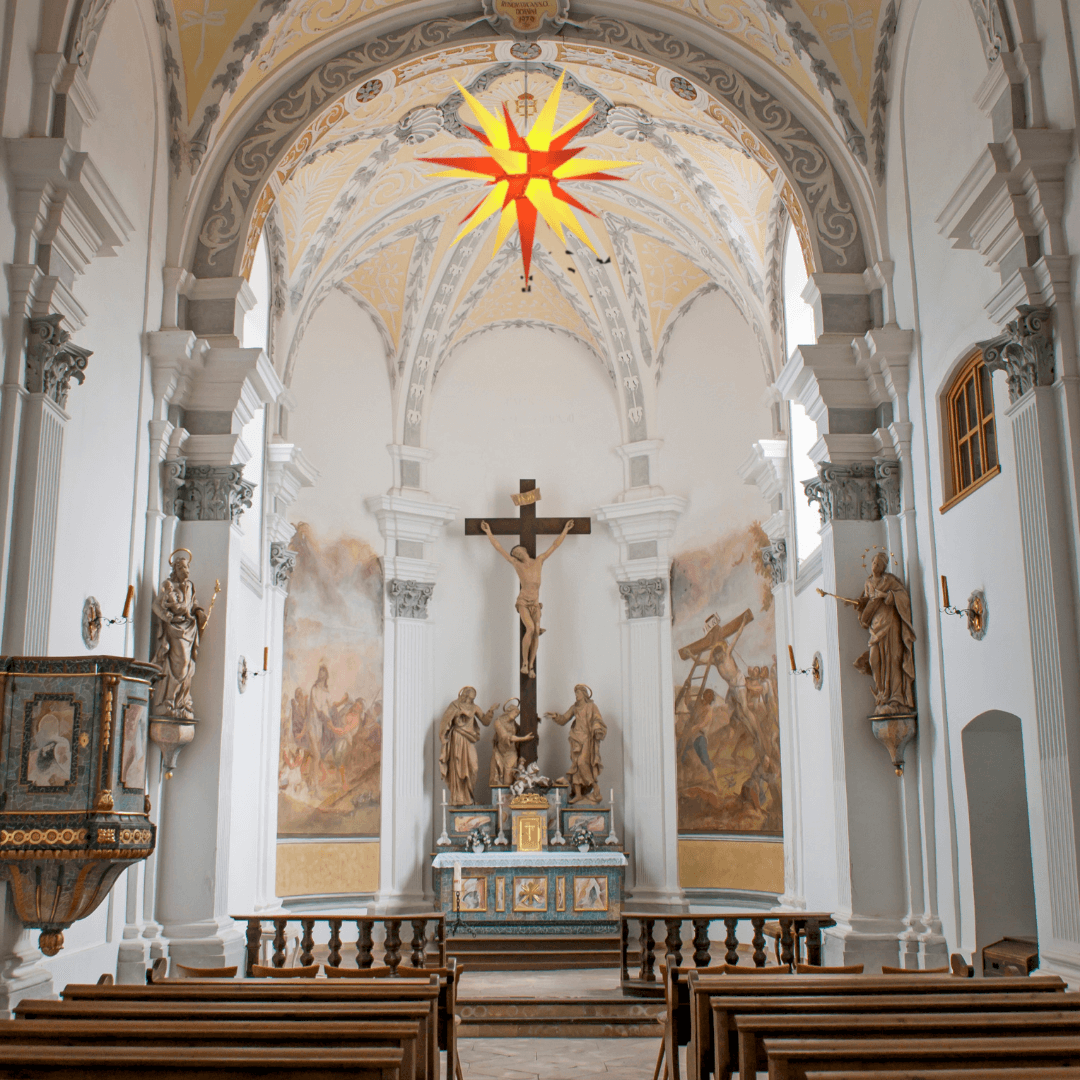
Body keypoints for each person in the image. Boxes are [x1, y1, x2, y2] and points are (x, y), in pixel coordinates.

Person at [480, 518, 573, 678]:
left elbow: (555, 545)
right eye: (515, 554)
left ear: (524, 550)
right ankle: (524, 662)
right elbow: (499, 549)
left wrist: (565, 530)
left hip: (536, 604)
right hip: (523, 602)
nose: (516, 554)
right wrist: (489, 533)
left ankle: (531, 666)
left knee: (536, 632)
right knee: (530, 629)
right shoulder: (518, 565)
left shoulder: (539, 560)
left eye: (517, 551)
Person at [852, 552, 917, 715]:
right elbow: (867, 602)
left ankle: (894, 697)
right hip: (875, 626)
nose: (875, 566)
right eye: (874, 562)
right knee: (875, 660)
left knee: (893, 659)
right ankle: (881, 693)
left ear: (884, 567)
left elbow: (903, 597)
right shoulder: (868, 583)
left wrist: (887, 596)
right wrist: (859, 605)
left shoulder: (890, 581)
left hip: (891, 624)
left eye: (879, 564)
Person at [150, 549, 210, 720]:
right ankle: (168, 700)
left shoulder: (190, 585)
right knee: (180, 663)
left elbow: (193, 603)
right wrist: (165, 617)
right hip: (175, 629)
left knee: (188, 665)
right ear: (175, 570)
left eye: (187, 568)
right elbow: (156, 605)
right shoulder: (169, 587)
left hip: (190, 628)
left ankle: (181, 702)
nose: (187, 572)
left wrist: (199, 612)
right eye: (183, 568)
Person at [546, 684, 606, 804]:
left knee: (582, 762)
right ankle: (578, 794)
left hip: (587, 739)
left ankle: (595, 787)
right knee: (575, 766)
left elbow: (597, 720)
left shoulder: (591, 706)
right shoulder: (574, 707)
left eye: (578, 693)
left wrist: (597, 728)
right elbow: (564, 719)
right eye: (575, 693)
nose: (576, 695)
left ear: (584, 694)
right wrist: (556, 716)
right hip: (575, 739)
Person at [439, 687, 496, 805]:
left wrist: (491, 711)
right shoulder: (455, 705)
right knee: (458, 766)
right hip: (457, 738)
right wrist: (458, 715)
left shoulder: (474, 707)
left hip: (469, 739)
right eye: (468, 698)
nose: (470, 700)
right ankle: (459, 797)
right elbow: (446, 721)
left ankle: (469, 795)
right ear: (463, 695)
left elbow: (485, 721)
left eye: (472, 699)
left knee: (473, 767)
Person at [489, 698, 534, 786]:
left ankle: (509, 798)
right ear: (509, 711)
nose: (516, 715)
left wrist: (533, 722)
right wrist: (524, 738)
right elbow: (507, 737)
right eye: (515, 713)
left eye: (517, 714)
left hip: (511, 752)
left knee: (509, 778)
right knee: (499, 778)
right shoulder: (498, 722)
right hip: (500, 752)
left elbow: (522, 730)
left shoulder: (513, 723)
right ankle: (501, 798)